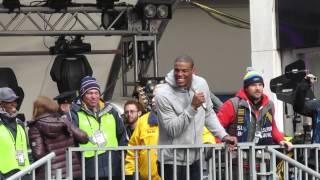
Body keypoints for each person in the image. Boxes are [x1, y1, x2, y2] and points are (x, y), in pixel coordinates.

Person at [155, 56, 237, 180]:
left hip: (196, 158)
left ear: (193, 71)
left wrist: (223, 136)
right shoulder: (162, 94)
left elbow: (208, 113)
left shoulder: (201, 83)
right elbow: (172, 129)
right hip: (171, 161)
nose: (179, 74)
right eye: (177, 70)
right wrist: (192, 107)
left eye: (184, 71)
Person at [125, 84, 217, 180]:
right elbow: (132, 149)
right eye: (153, 97)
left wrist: (208, 145)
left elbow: (204, 134)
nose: (152, 100)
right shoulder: (143, 121)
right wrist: (129, 172)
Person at [217, 68, 293, 179]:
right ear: (246, 88)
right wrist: (221, 145)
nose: (257, 88)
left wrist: (282, 140)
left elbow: (272, 127)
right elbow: (217, 128)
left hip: (263, 160)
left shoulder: (269, 105)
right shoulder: (232, 104)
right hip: (237, 162)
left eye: (260, 84)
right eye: (253, 85)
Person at [71, 76, 128, 179]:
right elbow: (71, 142)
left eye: (96, 93)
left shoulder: (111, 111)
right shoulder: (74, 113)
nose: (94, 96)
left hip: (113, 167)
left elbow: (122, 136)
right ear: (82, 95)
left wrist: (120, 158)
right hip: (89, 169)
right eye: (89, 93)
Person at [28, 96, 88, 179]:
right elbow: (84, 138)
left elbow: (38, 154)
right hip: (71, 171)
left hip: (50, 174)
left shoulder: (35, 127)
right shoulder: (64, 121)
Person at [0, 87, 30, 180]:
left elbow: (27, 149)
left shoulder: (19, 123)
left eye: (15, 101)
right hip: (5, 175)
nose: (14, 104)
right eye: (9, 101)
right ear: (1, 104)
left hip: (24, 173)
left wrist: (31, 167)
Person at [293, 73, 320, 143]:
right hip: (317, 145)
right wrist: (306, 81)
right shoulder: (303, 86)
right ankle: (316, 141)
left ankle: (316, 141)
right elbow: (298, 105)